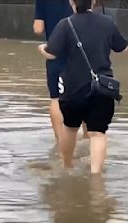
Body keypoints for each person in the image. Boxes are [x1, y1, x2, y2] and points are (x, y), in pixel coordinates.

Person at [37, 0, 128, 173]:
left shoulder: (66, 24)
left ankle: (67, 166)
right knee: (98, 133)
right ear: (93, 2)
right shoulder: (107, 22)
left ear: (72, 2)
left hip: (73, 88)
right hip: (102, 87)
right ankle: (96, 176)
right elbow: (122, 48)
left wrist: (41, 48)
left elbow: (51, 54)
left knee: (70, 128)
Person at [33, 0, 88, 143]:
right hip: (82, 54)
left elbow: (38, 29)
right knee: (86, 96)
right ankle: (89, 138)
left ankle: (60, 141)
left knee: (56, 99)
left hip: (55, 54)